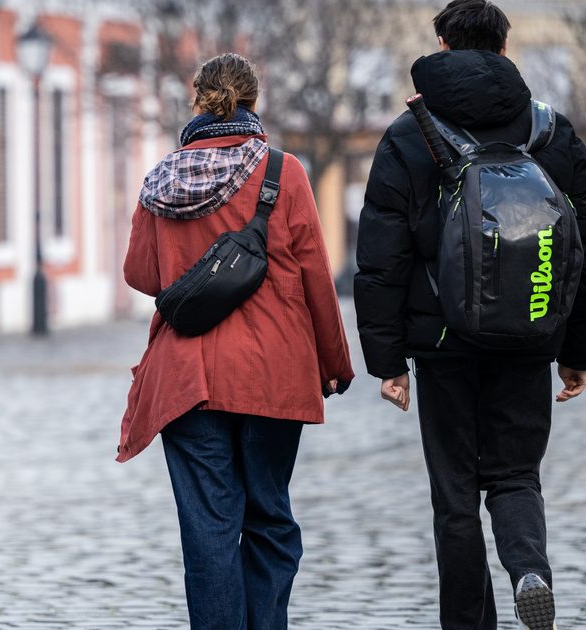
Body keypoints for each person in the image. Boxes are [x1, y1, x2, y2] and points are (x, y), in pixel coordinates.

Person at [353, 1, 586, 629]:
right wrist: (578, 352)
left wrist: (387, 361)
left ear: (441, 44)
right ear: (505, 45)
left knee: (455, 500)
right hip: (529, 335)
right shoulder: (552, 132)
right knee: (516, 474)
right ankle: (528, 569)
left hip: (443, 343)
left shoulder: (409, 134)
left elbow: (381, 258)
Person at [117, 53, 355, 629]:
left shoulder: (164, 177)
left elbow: (142, 276)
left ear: (197, 99)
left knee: (209, 531)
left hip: (187, 378)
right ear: (253, 101)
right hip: (273, 374)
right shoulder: (283, 172)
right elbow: (315, 275)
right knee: (270, 518)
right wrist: (333, 363)